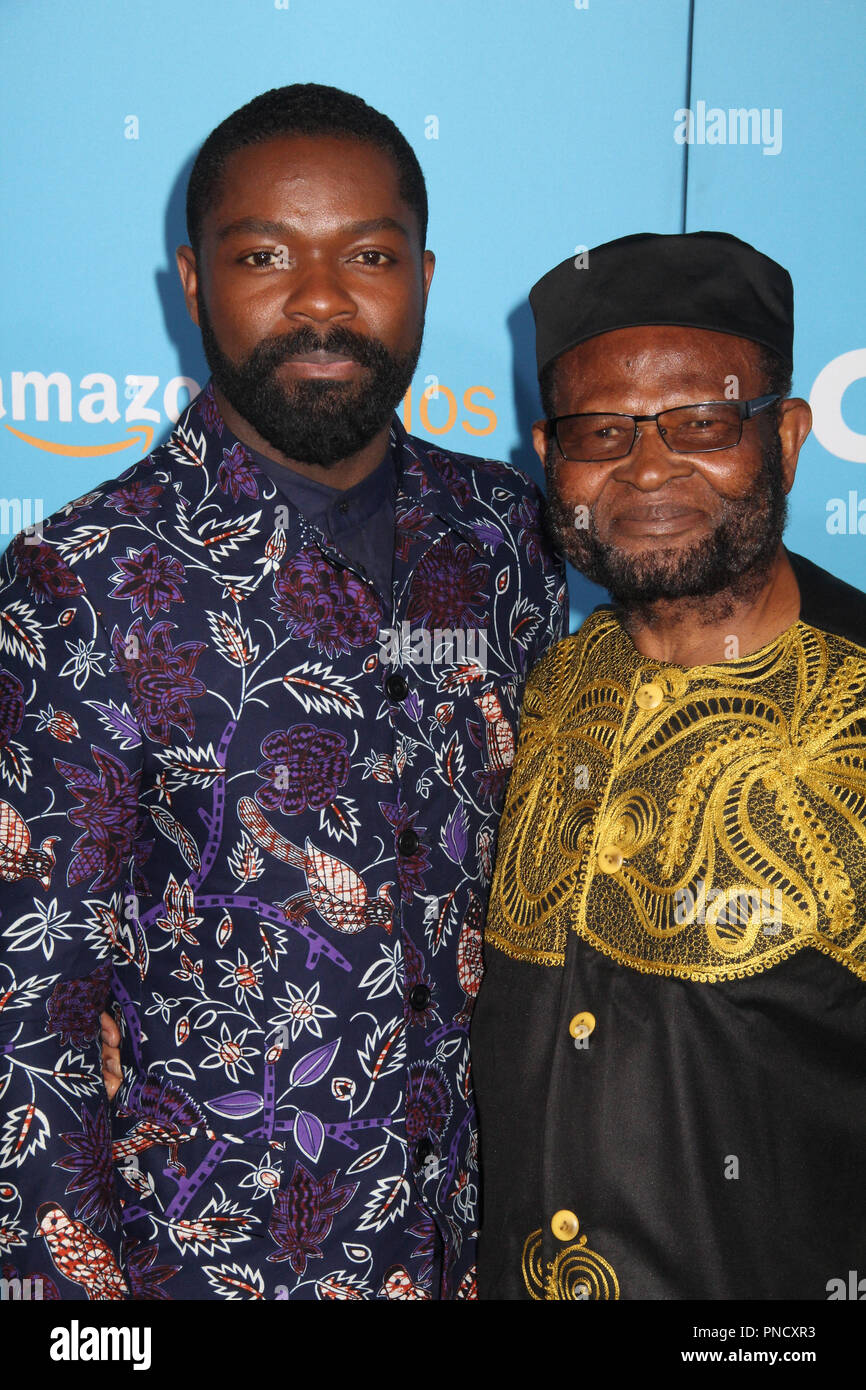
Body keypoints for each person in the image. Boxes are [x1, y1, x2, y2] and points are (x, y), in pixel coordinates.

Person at [0, 84, 566, 1301]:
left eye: (366, 254)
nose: (320, 299)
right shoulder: (84, 583)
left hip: (485, 1251)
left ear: (421, 273)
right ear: (193, 284)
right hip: (206, 1273)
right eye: (264, 256)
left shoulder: (506, 536)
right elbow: (28, 1016)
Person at [471, 232, 866, 1300]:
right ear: (550, 457)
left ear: (782, 438)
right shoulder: (545, 687)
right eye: (601, 432)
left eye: (700, 421)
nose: (646, 468)